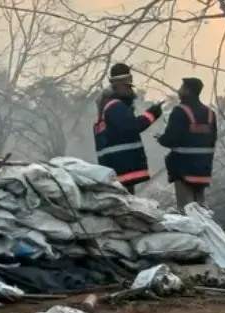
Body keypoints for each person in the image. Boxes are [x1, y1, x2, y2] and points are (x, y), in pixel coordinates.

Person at [93, 63, 162, 193]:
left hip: (114, 167)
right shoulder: (115, 107)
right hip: (123, 166)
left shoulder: (105, 107)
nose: (131, 91)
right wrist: (152, 114)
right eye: (129, 86)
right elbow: (132, 126)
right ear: (119, 85)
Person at [157, 77, 217, 209]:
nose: (179, 91)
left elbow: (171, 139)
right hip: (203, 171)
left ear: (188, 91)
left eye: (181, 88)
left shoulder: (180, 111)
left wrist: (161, 139)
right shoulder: (210, 114)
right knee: (201, 210)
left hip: (183, 170)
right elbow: (212, 140)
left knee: (186, 210)